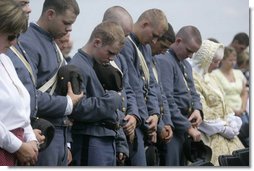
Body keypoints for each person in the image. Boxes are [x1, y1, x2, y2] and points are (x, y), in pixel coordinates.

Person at [18, 0, 83, 166]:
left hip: (59, 136)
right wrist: (67, 104)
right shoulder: (27, 42)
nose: (69, 29)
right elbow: (28, 95)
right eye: (66, 23)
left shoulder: (53, 42)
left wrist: (67, 143)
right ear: (50, 14)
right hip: (42, 133)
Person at [69, 21, 126, 166]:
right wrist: (112, 100)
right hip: (90, 139)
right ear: (97, 42)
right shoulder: (77, 65)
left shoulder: (99, 64)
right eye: (110, 52)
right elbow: (77, 107)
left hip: (106, 138)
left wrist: (120, 141)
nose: (112, 58)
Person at [120, 8, 168, 166]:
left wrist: (155, 114)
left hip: (146, 118)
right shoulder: (126, 44)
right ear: (145, 24)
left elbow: (151, 85)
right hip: (136, 119)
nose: (154, 41)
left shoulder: (146, 47)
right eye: (154, 35)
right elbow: (133, 87)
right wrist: (149, 124)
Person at [191, 39, 244, 166]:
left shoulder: (211, 77)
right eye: (214, 61)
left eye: (219, 61)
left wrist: (232, 121)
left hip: (226, 131)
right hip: (210, 135)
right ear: (205, 60)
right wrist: (223, 128)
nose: (217, 65)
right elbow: (202, 109)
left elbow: (224, 102)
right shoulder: (193, 78)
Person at [156, 26, 203, 166]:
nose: (190, 56)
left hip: (185, 127)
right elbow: (168, 100)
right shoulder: (164, 60)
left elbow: (194, 92)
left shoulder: (186, 64)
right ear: (178, 41)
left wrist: (197, 109)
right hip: (173, 127)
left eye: (194, 52)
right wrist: (188, 127)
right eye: (189, 50)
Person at [0, 0, 38, 166]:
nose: (14, 42)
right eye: (11, 36)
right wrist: (18, 146)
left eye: (17, 36)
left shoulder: (6, 60)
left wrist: (31, 140)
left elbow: (22, 109)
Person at [102, 6, 140, 165]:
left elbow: (128, 90)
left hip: (125, 130)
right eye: (123, 36)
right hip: (111, 131)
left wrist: (134, 115)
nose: (125, 42)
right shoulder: (97, 58)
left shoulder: (120, 59)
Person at [210, 46, 249, 147]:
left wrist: (243, 108)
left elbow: (244, 92)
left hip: (243, 112)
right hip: (228, 114)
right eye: (230, 60)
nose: (233, 62)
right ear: (223, 60)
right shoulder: (215, 75)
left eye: (234, 60)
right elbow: (219, 96)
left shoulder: (239, 73)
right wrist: (233, 110)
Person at [149, 23, 175, 165]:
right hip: (151, 128)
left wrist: (168, 124)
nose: (164, 52)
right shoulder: (150, 60)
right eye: (163, 46)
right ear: (155, 39)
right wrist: (159, 127)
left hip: (161, 125)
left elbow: (162, 95)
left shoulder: (155, 61)